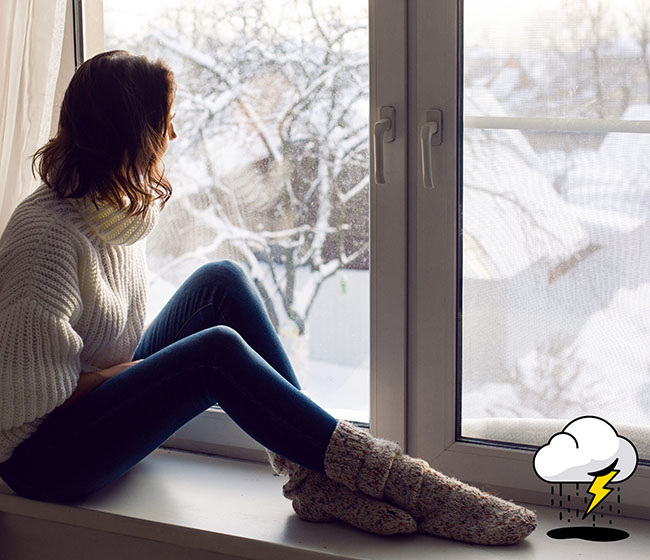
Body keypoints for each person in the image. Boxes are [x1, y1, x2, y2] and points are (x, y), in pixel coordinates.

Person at [0, 50, 536, 545]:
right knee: (214, 353)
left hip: (91, 404)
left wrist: (141, 372)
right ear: (129, 134)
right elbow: (32, 398)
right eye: (164, 123)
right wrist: (149, 372)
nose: (174, 134)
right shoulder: (46, 239)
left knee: (221, 281)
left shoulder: (108, 212)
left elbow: (110, 357)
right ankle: (402, 482)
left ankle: (314, 478)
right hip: (43, 456)